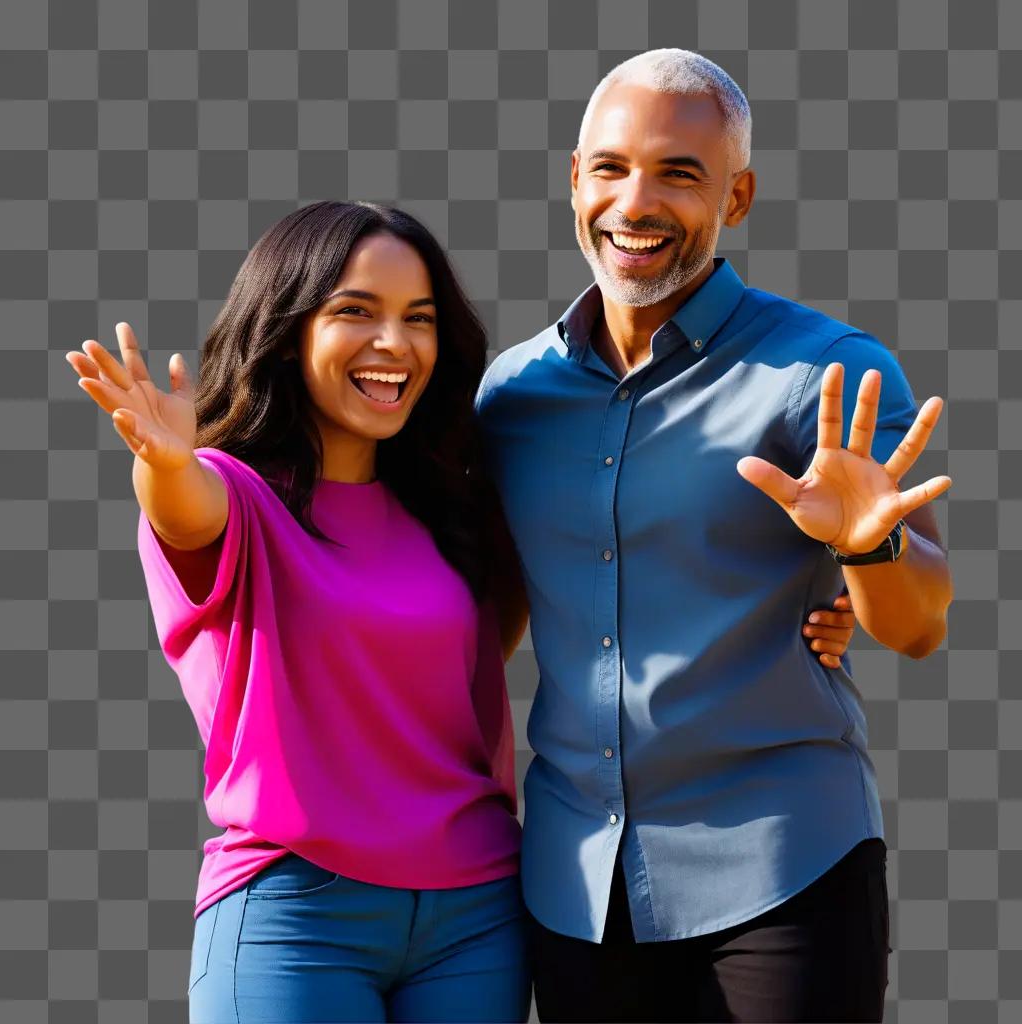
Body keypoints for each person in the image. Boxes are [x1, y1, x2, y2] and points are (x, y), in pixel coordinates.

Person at [65, 200, 856, 1022]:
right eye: (355, 312)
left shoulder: (452, 506)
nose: (393, 344)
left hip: (475, 915)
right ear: (286, 326)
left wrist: (807, 598)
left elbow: (598, 582)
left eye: (419, 318)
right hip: (296, 914)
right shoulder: (236, 498)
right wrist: (163, 462)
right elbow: (186, 510)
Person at [474, 49, 954, 1023]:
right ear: (574, 180)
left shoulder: (830, 375)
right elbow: (495, 619)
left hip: (783, 864)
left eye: (678, 174)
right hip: (576, 881)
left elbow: (916, 626)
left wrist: (865, 551)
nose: (634, 201)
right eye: (608, 168)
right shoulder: (509, 396)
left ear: (736, 197)